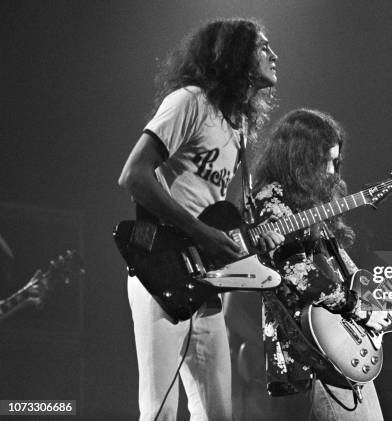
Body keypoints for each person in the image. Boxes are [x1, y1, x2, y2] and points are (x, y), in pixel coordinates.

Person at [118, 18, 283, 421]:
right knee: (158, 411)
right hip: (160, 272)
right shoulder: (189, 102)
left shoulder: (239, 128)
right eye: (262, 47)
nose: (274, 55)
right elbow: (134, 175)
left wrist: (255, 237)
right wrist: (199, 232)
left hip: (206, 284)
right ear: (236, 56)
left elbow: (220, 213)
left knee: (217, 414)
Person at [253, 109, 392, 420]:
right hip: (311, 353)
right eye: (324, 161)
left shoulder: (314, 205)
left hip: (343, 346)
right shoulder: (270, 199)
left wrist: (373, 299)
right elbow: (298, 274)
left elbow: (340, 268)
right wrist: (360, 309)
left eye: (336, 161)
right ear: (301, 159)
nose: (332, 171)